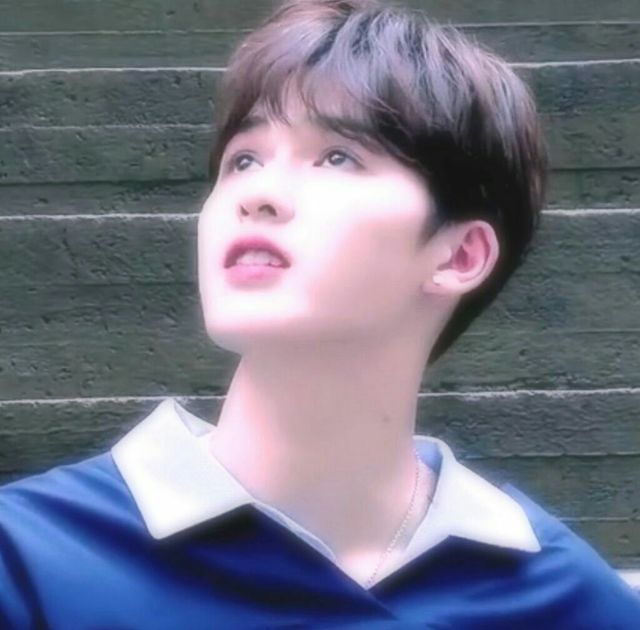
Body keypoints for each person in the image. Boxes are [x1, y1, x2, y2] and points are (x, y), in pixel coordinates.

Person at [1, 0, 639, 627]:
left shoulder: (561, 599)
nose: (258, 194)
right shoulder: (27, 560)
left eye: (337, 157)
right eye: (243, 159)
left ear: (460, 254)